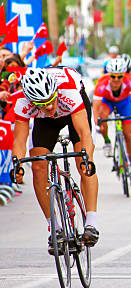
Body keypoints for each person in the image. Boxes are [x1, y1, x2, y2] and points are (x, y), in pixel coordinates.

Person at [12, 67, 100, 251]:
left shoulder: (69, 90)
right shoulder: (22, 101)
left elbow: (85, 133)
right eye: (42, 103)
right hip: (45, 122)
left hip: (72, 112)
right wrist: (17, 164)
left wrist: (88, 158)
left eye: (50, 101)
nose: (49, 107)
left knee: (83, 163)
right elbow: (19, 140)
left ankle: (91, 223)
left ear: (55, 91)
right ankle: (55, 228)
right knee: (37, 167)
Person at [93, 58, 131, 185]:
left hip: (124, 103)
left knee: (129, 134)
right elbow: (96, 107)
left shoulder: (130, 81)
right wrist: (96, 124)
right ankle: (107, 142)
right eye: (113, 76)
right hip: (107, 102)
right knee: (102, 114)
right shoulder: (102, 83)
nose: (116, 80)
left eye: (119, 77)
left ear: (124, 75)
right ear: (108, 75)